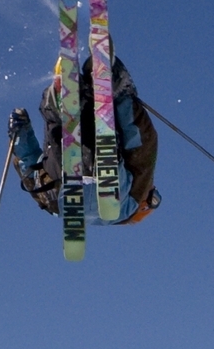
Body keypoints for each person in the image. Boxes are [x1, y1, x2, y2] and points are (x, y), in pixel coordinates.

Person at [10, 55, 160, 223]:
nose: (153, 189)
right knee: (57, 142)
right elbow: (31, 171)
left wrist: (123, 97)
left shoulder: (135, 200)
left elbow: (140, 143)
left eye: (154, 197)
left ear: (143, 206)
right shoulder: (56, 210)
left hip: (105, 185)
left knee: (84, 142)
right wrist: (20, 134)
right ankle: (58, 108)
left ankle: (75, 103)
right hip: (65, 197)